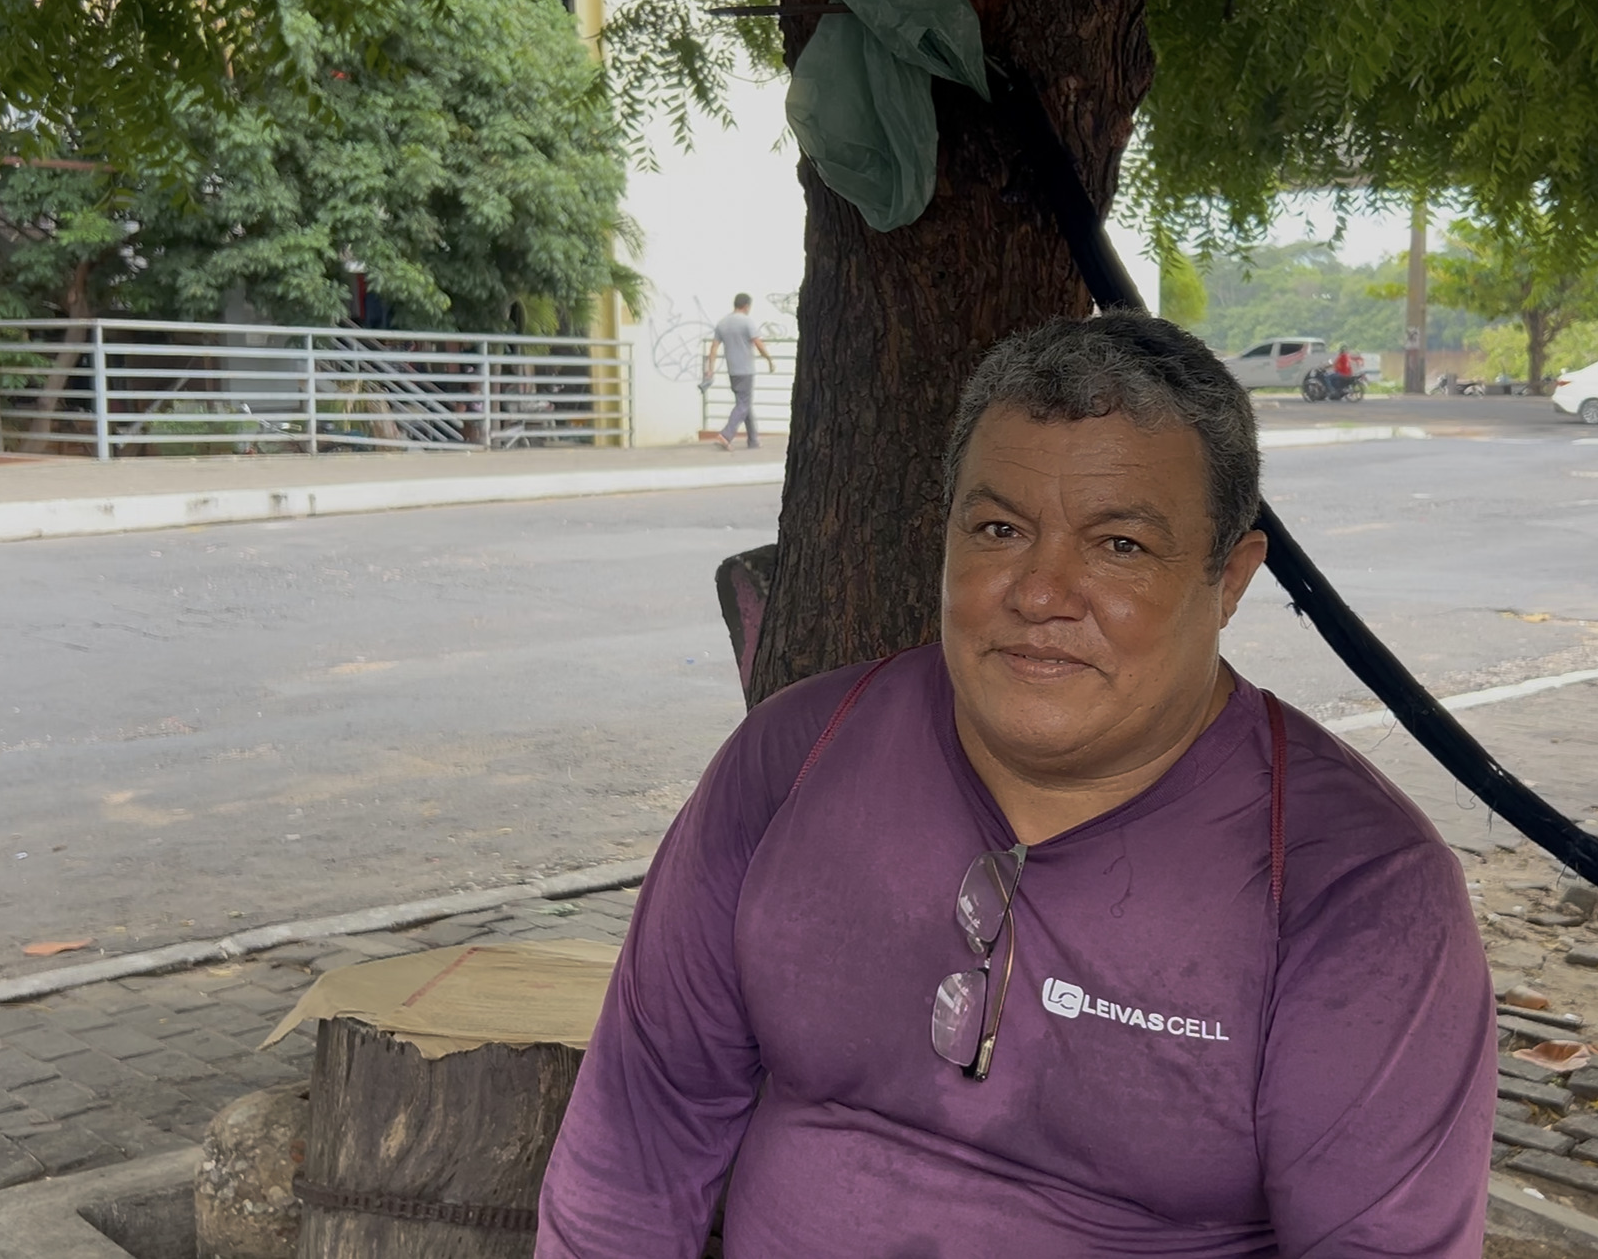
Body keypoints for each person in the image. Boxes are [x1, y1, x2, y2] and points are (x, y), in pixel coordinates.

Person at [537, 312, 1493, 1258]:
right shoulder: (794, 757)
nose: (1039, 593)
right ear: (946, 539)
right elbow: (638, 1138)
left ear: (1231, 578)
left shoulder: (1355, 887)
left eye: (1120, 545)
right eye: (999, 529)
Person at [702, 293, 778, 451]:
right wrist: (769, 359)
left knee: (744, 403)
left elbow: (714, 348)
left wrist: (710, 370)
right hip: (746, 370)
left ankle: (753, 440)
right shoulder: (747, 322)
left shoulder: (722, 323)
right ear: (747, 306)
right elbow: (758, 343)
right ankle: (726, 434)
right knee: (743, 404)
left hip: (733, 370)